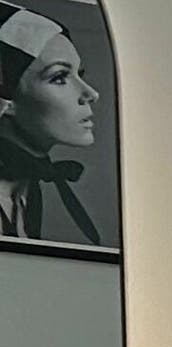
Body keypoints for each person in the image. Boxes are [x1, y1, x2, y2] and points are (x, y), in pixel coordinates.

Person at [0, 5, 102, 249]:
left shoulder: (26, 192)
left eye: (80, 74)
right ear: (6, 100)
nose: (91, 94)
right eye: (59, 77)